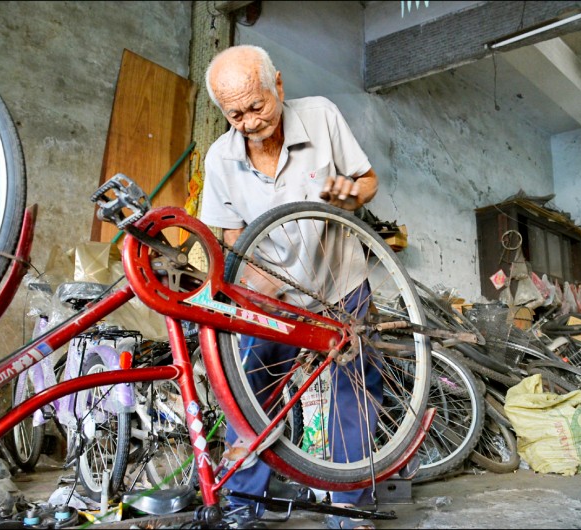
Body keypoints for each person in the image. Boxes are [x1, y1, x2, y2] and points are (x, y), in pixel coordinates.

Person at [200, 44, 382, 530]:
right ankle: (244, 500)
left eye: (256, 106)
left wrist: (349, 193)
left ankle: (348, 504)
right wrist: (258, 283)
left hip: (339, 280)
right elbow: (231, 235)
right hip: (272, 293)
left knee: (355, 388)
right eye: (234, 113)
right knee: (253, 387)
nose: (248, 121)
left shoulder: (321, 117)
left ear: (277, 86)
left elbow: (367, 181)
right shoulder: (220, 157)